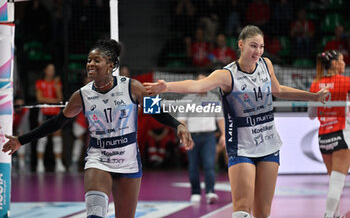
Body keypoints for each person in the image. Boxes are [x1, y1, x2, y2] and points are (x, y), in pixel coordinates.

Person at [144, 25, 328, 218]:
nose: (258, 51)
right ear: (241, 44)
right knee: (242, 208)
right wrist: (166, 87)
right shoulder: (227, 75)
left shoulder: (266, 64)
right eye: (253, 46)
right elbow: (198, 84)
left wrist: (313, 96)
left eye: (261, 46)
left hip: (269, 144)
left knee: (263, 213)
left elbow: (279, 90)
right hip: (242, 148)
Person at [2, 39, 193, 218]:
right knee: (95, 213)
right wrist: (21, 140)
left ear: (110, 65)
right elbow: (57, 122)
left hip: (128, 163)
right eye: (88, 60)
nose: (90, 64)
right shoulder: (81, 95)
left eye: (96, 60)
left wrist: (178, 125)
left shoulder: (132, 87)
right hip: (98, 160)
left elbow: (157, 112)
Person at [308, 50, 350, 218]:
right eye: (342, 60)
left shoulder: (316, 84)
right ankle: (328, 214)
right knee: (338, 180)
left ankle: (336, 215)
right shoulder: (345, 82)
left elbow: (311, 115)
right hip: (341, 133)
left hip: (323, 136)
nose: (344, 63)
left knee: (334, 180)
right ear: (334, 64)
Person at [177, 73, 225, 204]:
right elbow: (181, 121)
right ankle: (195, 193)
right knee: (193, 166)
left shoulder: (214, 99)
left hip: (209, 137)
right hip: (193, 137)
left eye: (205, 82)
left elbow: (220, 119)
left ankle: (210, 192)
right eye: (199, 82)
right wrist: (185, 137)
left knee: (210, 165)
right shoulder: (187, 99)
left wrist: (224, 134)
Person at [35, 63, 65, 173]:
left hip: (55, 113)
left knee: (57, 138)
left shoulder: (56, 83)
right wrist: (52, 101)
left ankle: (58, 163)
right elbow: (40, 98)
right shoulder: (40, 83)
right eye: (49, 69)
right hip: (44, 112)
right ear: (45, 71)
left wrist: (56, 86)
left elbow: (60, 98)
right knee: (42, 138)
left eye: (53, 69)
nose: (51, 72)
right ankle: (39, 164)